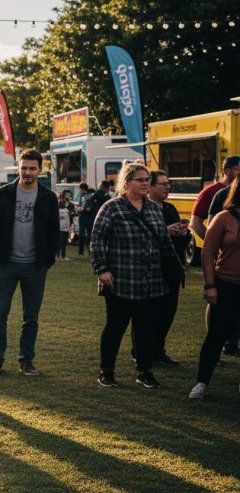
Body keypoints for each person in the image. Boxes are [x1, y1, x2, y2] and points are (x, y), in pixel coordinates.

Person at [90, 162, 174, 389]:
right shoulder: (112, 208)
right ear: (126, 183)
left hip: (151, 281)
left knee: (146, 328)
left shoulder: (156, 209)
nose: (146, 183)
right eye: (141, 180)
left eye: (147, 180)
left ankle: (145, 371)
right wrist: (102, 269)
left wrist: (173, 268)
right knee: (115, 328)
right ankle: (106, 372)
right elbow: (97, 240)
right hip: (120, 281)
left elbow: (164, 243)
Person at [0, 149, 60, 376]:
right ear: (18, 167)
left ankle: (26, 359)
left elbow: (54, 232)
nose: (27, 172)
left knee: (31, 317)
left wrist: (47, 259)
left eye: (32, 168)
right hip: (5, 264)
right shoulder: (4, 193)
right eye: (24, 167)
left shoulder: (48, 197)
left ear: (40, 169)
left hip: (35, 266)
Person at [189, 179, 240, 399]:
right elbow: (208, 252)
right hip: (225, 284)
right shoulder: (224, 218)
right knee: (216, 335)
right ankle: (201, 383)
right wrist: (210, 285)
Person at [142, 171, 187, 366]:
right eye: (162, 184)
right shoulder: (142, 209)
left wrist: (182, 232)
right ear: (150, 187)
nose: (167, 187)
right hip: (151, 269)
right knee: (148, 315)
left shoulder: (170, 209)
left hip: (171, 268)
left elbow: (178, 241)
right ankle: (141, 352)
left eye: (168, 183)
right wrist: (166, 231)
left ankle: (158, 351)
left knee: (168, 312)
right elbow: (142, 236)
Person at [192, 155, 240, 241]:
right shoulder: (210, 192)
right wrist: (213, 244)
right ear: (226, 171)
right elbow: (195, 223)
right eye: (237, 169)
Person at [79, 180, 112, 256]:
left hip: (94, 217)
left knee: (91, 235)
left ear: (102, 186)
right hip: (102, 217)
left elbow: (92, 205)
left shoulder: (97, 194)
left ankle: (89, 251)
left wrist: (89, 208)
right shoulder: (108, 196)